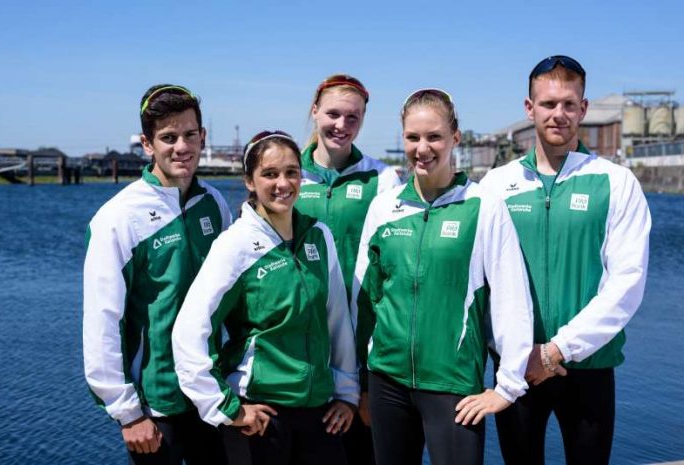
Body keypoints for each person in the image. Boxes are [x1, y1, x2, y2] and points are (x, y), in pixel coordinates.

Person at [480, 55, 651, 465]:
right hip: (516, 370)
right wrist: (511, 349)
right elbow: (478, 280)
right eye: (548, 104)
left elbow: (627, 282)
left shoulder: (615, 182)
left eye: (569, 104)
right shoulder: (496, 185)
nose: (559, 114)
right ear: (529, 108)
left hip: (588, 367)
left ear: (583, 109)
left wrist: (557, 350)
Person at [352, 89, 534, 465]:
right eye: (412, 137)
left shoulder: (483, 206)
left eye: (434, 136)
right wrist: (360, 382)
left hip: (452, 387)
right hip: (386, 383)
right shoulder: (384, 207)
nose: (423, 148)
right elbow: (364, 301)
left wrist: (507, 386)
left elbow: (511, 297)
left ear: (456, 138)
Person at [172, 130, 359, 465]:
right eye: (270, 174)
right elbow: (189, 331)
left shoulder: (319, 235)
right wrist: (224, 407)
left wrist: (346, 394)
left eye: (291, 172)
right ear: (249, 181)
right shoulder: (236, 245)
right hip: (261, 415)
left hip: (319, 409)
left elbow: (338, 320)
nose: (283, 184)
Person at [83, 84, 234, 464]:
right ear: (147, 145)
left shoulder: (213, 204)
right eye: (168, 137)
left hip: (214, 395)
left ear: (202, 137)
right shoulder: (118, 218)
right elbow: (102, 319)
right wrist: (126, 411)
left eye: (190, 135)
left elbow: (235, 297)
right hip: (157, 405)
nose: (181, 147)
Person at [295, 74, 401, 464]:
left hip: (360, 350)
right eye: (333, 114)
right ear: (315, 111)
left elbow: (390, 273)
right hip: (301, 352)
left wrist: (370, 379)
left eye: (352, 117)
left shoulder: (382, 179)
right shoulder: (290, 175)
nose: (341, 125)